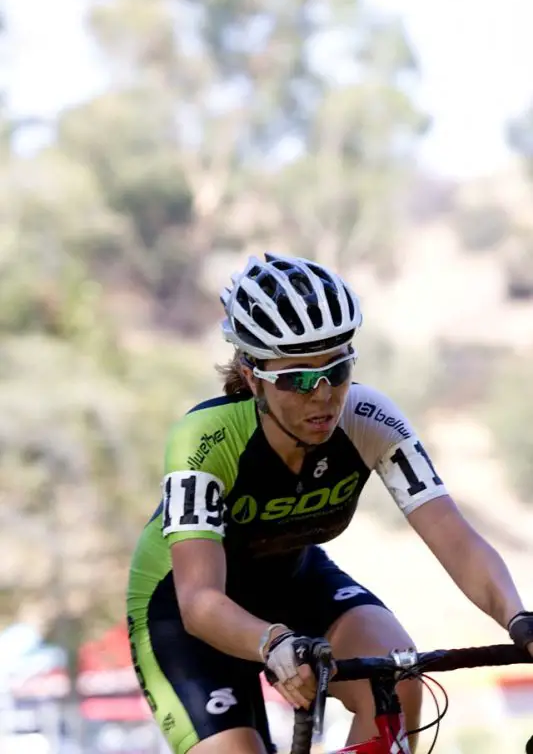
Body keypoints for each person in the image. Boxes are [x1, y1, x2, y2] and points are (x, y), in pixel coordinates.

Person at [127, 252, 533, 754]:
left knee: (399, 675)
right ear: (253, 376)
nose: (322, 396)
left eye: (337, 370)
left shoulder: (368, 419)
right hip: (185, 610)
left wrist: (520, 619)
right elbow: (200, 602)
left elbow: (458, 542)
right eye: (297, 378)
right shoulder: (205, 439)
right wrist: (272, 641)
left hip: (292, 583)